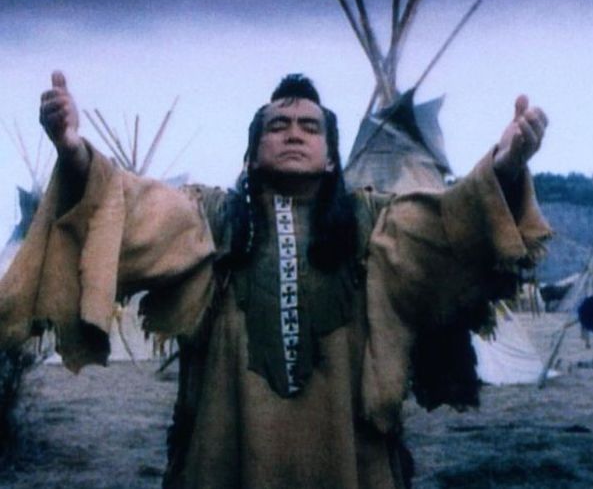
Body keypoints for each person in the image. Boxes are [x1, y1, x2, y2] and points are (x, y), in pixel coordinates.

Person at [0, 71, 551, 489]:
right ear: (254, 150)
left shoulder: (374, 224)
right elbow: (133, 205)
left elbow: (448, 224)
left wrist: (504, 166)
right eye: (278, 126)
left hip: (350, 456)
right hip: (226, 452)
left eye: (310, 127)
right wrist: (73, 150)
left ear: (331, 157)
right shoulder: (210, 219)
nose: (293, 134)